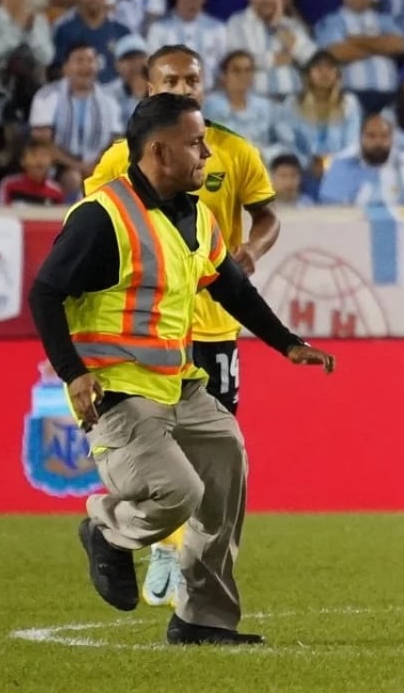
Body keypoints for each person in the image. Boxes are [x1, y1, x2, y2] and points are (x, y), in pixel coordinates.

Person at [27, 93, 335, 645]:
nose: (206, 157)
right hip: (117, 390)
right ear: (159, 151)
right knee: (177, 492)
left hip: (176, 383)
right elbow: (45, 292)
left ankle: (200, 619)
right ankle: (106, 528)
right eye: (195, 144)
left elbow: (231, 286)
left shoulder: (193, 215)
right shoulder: (102, 217)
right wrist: (74, 373)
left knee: (227, 461)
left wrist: (286, 343)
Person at [84, 44, 281, 609]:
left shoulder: (233, 151)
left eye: (192, 78)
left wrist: (250, 254)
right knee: (167, 458)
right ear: (148, 87)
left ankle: (188, 578)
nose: (184, 86)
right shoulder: (122, 157)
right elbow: (97, 227)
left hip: (214, 323)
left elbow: (266, 215)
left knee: (216, 456)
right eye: (171, 79)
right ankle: (158, 536)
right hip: (148, 332)